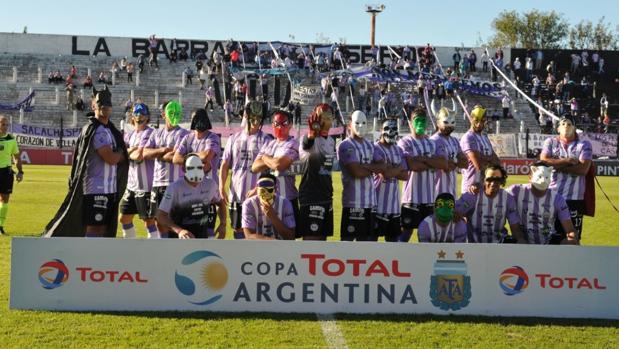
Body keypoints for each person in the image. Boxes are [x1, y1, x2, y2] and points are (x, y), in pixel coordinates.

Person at [44, 85, 128, 237]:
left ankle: (97, 259)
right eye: (101, 104)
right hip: (95, 188)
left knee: (103, 228)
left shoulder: (110, 130)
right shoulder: (95, 130)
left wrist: (119, 155)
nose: (105, 107)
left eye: (108, 104)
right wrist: (122, 154)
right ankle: (87, 260)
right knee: (93, 228)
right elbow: (110, 158)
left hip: (110, 188)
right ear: (93, 105)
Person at [219, 101, 273, 239]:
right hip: (235, 195)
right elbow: (225, 164)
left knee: (256, 232)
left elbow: (268, 170)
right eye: (253, 117)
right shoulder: (233, 139)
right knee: (238, 231)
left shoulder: (266, 140)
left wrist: (257, 189)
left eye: (259, 118)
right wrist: (221, 186)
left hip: (257, 195)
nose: (256, 121)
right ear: (246, 116)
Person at [397, 107, 448, 242]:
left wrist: (422, 158)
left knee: (428, 234)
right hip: (410, 199)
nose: (420, 124)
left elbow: (443, 164)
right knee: (405, 233)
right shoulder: (405, 142)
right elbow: (413, 166)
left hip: (429, 199)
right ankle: (398, 259)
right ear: (410, 123)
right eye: (417, 120)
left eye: (423, 121)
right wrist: (431, 162)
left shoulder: (432, 143)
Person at [540, 118, 592, 242]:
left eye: (569, 124)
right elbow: (543, 161)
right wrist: (567, 161)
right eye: (563, 124)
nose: (566, 126)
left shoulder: (584, 144)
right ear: (558, 128)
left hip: (574, 200)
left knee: (572, 239)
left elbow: (582, 169)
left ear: (574, 128)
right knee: (549, 238)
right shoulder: (550, 142)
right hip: (551, 196)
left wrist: (557, 165)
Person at [142, 100, 189, 238]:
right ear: (164, 114)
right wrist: (163, 150)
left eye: (176, 113)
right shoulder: (156, 133)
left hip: (176, 183)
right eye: (171, 113)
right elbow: (144, 153)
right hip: (158, 184)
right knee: (159, 222)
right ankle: (164, 252)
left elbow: (176, 156)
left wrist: (157, 154)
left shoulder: (183, 134)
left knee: (175, 222)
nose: (174, 115)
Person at [337, 110, 385, 241]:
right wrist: (373, 168)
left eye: (364, 123)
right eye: (357, 123)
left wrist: (363, 166)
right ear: (349, 125)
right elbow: (356, 172)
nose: (361, 126)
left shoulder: (370, 145)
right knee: (348, 247)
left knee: (368, 247)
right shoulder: (345, 145)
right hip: (353, 204)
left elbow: (383, 166)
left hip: (370, 204)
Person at [252, 110, 300, 233]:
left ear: (290, 125)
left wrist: (264, 157)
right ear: (272, 125)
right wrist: (271, 160)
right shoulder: (269, 144)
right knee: (268, 235)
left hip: (287, 198)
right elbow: (254, 167)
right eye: (277, 124)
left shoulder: (293, 143)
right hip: (268, 199)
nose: (280, 127)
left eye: (284, 123)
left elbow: (279, 165)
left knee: (288, 237)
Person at [506, 162, 578, 245]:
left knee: (571, 242)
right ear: (530, 177)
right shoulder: (516, 190)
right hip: (522, 239)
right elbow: (499, 195)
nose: (543, 180)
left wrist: (572, 239)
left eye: (546, 177)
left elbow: (569, 230)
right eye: (540, 176)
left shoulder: (557, 199)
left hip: (550, 240)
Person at [156, 154, 225, 239]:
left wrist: (223, 224)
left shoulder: (210, 185)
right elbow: (160, 215)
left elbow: (220, 203)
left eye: (199, 168)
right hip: (179, 238)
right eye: (191, 168)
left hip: (201, 236)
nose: (196, 183)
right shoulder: (174, 188)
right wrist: (179, 231)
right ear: (184, 169)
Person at [298, 104, 337, 241]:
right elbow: (306, 144)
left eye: (329, 117)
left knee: (322, 243)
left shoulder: (332, 141)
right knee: (311, 243)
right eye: (322, 116)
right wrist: (311, 135)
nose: (326, 120)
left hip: (327, 196)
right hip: (311, 196)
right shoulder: (310, 138)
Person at [456, 165, 524, 243]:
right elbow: (455, 214)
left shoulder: (508, 199)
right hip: (474, 246)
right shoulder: (473, 195)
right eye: (489, 179)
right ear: (484, 180)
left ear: (502, 181)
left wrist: (521, 244)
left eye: (497, 180)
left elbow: (515, 228)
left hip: (499, 246)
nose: (492, 183)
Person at [118, 103, 157, 238]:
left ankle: (155, 250)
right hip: (131, 186)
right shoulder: (129, 135)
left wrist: (129, 152)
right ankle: (131, 249)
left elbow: (139, 156)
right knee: (124, 218)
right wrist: (131, 151)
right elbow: (122, 154)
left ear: (147, 117)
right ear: (132, 117)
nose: (139, 117)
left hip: (146, 186)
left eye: (142, 114)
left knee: (149, 222)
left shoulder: (150, 133)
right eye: (136, 114)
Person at [373, 119, 408, 242]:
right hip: (377, 206)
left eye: (394, 129)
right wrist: (397, 168)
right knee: (371, 242)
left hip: (394, 208)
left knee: (393, 246)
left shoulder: (398, 150)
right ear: (381, 130)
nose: (391, 132)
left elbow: (405, 176)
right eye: (387, 128)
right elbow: (386, 174)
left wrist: (391, 168)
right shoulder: (375, 148)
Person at [430, 100, 467, 197]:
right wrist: (455, 161)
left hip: (452, 192)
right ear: (438, 123)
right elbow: (446, 167)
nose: (449, 126)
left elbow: (465, 163)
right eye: (446, 122)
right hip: (436, 193)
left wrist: (452, 161)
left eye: (452, 123)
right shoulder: (433, 141)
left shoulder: (454, 141)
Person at [241, 173, 295, 240]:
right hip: (257, 246)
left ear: (275, 189)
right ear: (257, 190)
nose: (266, 194)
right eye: (262, 190)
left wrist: (273, 217)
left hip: (281, 247)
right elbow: (248, 236)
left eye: (269, 190)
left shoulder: (285, 204)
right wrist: (271, 241)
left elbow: (291, 237)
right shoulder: (249, 204)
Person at [460, 105, 499, 194]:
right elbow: (479, 165)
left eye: (482, 121)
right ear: (471, 119)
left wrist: (483, 157)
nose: (479, 124)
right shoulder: (468, 138)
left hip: (486, 189)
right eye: (476, 120)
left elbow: (497, 162)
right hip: (471, 189)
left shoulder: (485, 138)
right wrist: (489, 159)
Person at [0, 116, 23, 235]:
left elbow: (16, 157)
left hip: (5, 172)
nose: (5, 127)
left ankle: (0, 226)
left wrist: (20, 172)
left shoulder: (11, 139)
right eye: (3, 124)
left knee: (4, 199)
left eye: (6, 125)